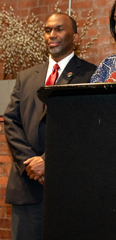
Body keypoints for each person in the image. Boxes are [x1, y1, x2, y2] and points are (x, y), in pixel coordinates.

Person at [4, 13, 96, 240]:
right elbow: (11, 121)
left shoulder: (91, 75)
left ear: (75, 36)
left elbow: (86, 129)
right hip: (27, 186)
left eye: (58, 29)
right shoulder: (25, 77)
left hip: (69, 187)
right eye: (47, 30)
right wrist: (31, 164)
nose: (51, 35)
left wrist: (47, 161)